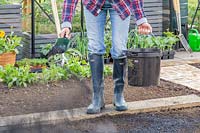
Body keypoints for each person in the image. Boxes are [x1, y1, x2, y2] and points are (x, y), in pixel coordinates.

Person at [60, 0, 152, 114]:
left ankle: (118, 94)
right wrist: (66, 23)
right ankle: (97, 97)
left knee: (119, 49)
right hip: (93, 3)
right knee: (95, 47)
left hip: (121, 3)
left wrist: (141, 19)